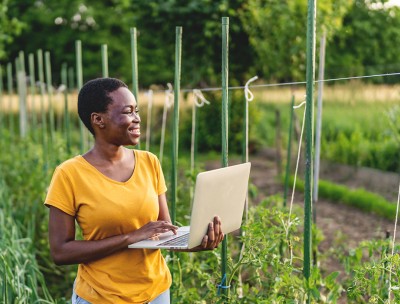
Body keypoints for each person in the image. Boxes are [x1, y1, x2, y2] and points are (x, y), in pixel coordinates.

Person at [44, 77, 224, 304]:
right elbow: (60, 252)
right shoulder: (69, 174)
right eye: (128, 112)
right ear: (98, 120)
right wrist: (130, 237)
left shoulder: (149, 162)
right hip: (102, 296)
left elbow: (164, 230)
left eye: (137, 111)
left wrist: (195, 242)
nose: (137, 118)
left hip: (156, 293)